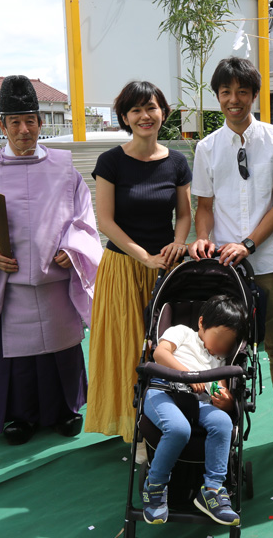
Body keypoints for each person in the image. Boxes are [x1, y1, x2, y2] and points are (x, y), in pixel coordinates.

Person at [0, 75, 103, 445]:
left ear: (41, 122)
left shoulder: (65, 169)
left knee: (61, 351)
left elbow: (84, 219)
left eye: (30, 120)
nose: (23, 129)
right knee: (16, 359)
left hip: (55, 283)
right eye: (14, 122)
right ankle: (17, 416)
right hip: (11, 288)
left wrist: (73, 248)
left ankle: (66, 409)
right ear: (2, 125)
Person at [188, 56, 273, 467]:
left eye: (242, 92)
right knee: (225, 351)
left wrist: (249, 244)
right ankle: (224, 428)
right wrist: (203, 239)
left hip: (271, 260)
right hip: (224, 269)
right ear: (217, 97)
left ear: (254, 95)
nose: (233, 100)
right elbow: (204, 205)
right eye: (226, 92)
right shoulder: (207, 147)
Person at [84, 81, 192, 443]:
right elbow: (106, 222)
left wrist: (177, 246)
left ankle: (163, 422)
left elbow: (185, 215)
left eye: (151, 107)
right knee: (126, 345)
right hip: (124, 268)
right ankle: (134, 429)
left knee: (163, 346)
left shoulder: (177, 161)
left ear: (163, 112)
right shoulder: (110, 162)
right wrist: (144, 257)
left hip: (165, 269)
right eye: (135, 110)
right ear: (125, 118)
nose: (144, 116)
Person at [141, 295, 245, 527]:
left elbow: (222, 390)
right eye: (219, 338)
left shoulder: (220, 361)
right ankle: (155, 486)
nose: (222, 347)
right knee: (178, 430)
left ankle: (212, 490)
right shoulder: (182, 332)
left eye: (229, 344)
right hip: (163, 393)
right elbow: (160, 354)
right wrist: (187, 374)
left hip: (199, 403)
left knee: (222, 422)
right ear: (201, 323)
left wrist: (226, 402)